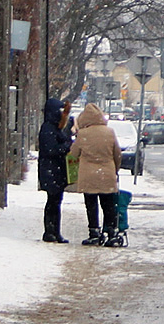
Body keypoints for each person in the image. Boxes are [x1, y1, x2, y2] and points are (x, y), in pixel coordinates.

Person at [70, 103, 123, 247]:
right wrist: (115, 170)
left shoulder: (83, 134)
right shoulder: (109, 132)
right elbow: (117, 154)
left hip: (88, 175)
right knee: (108, 205)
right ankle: (111, 233)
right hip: (107, 173)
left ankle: (94, 233)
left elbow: (74, 154)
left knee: (91, 205)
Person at [37, 98, 73, 243]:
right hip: (51, 170)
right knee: (53, 202)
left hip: (54, 170)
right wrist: (66, 147)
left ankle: (54, 232)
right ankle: (50, 232)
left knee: (55, 201)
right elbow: (51, 150)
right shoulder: (48, 128)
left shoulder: (54, 127)